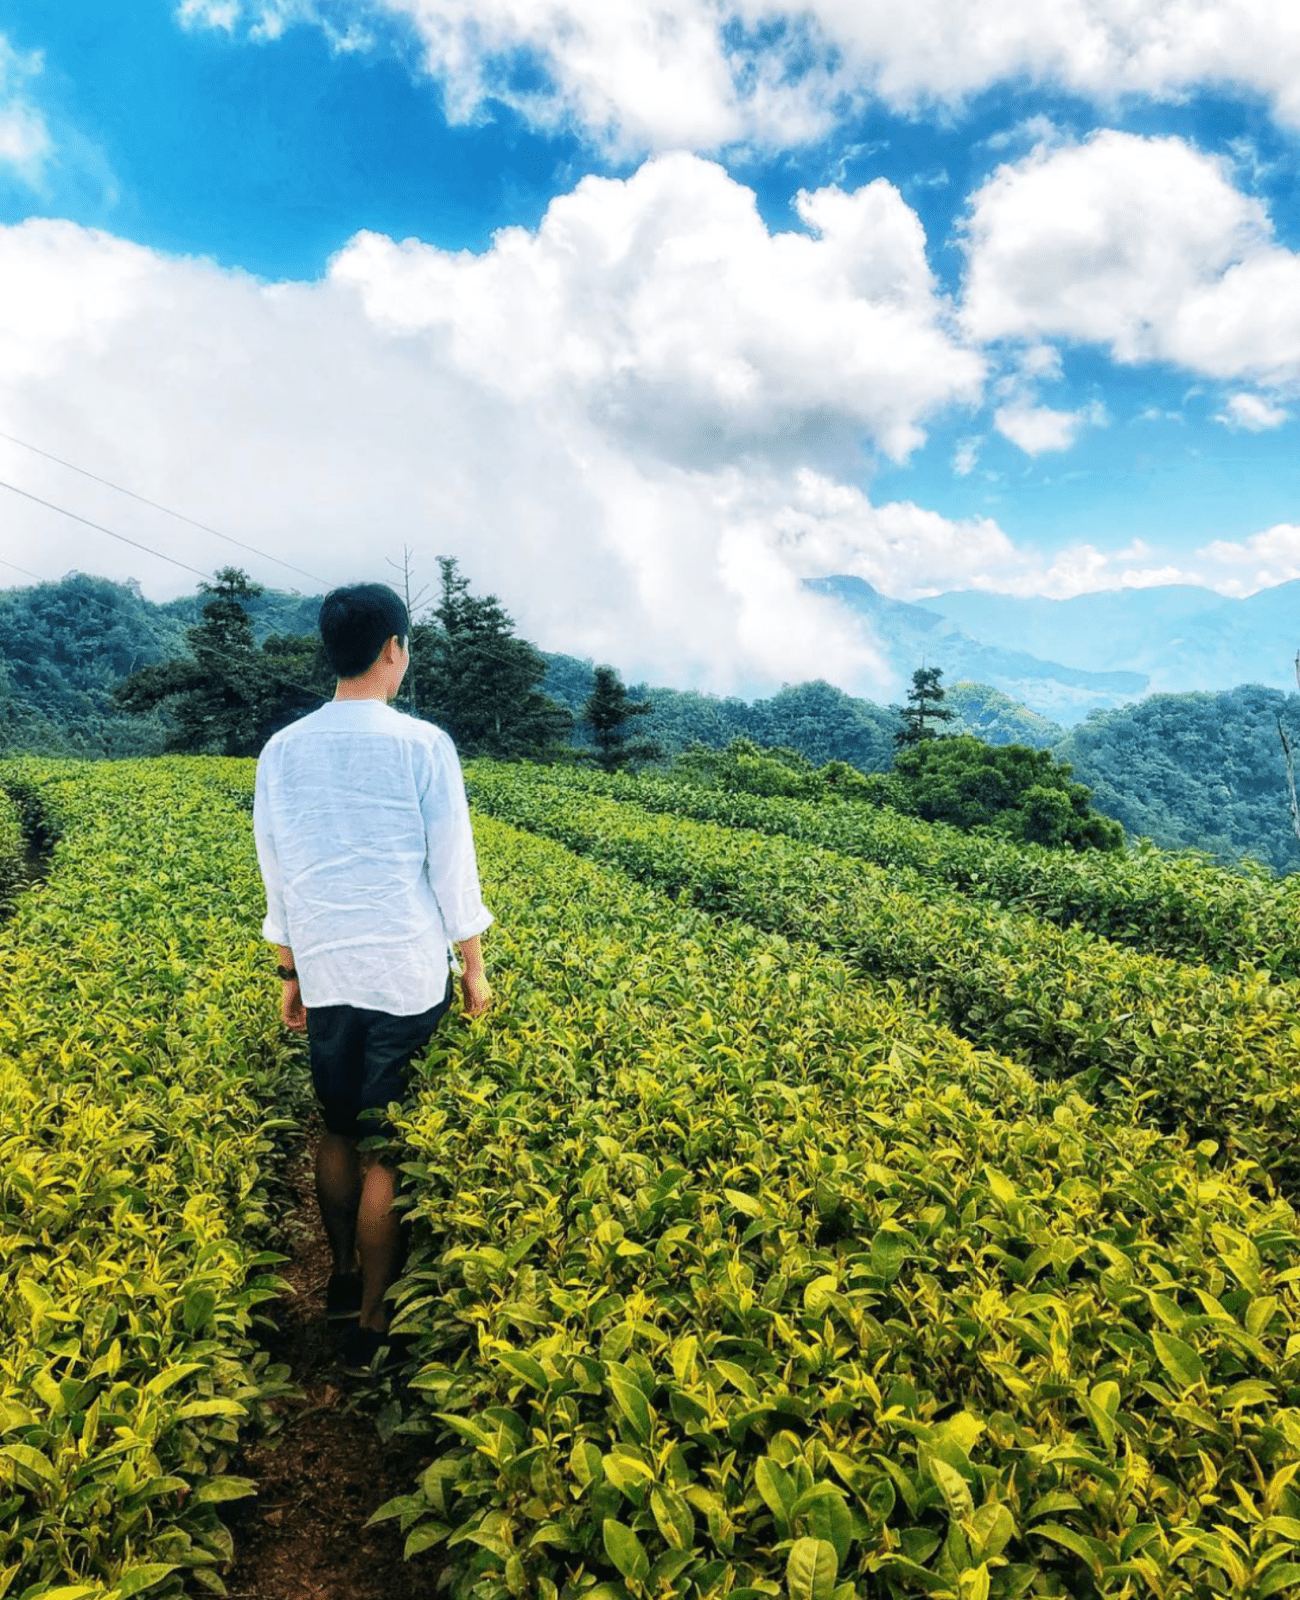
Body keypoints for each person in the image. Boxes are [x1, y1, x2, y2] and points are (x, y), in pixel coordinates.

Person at [253, 581, 493, 1371]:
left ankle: (340, 1275)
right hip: (404, 973)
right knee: (388, 1145)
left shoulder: (282, 749)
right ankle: (373, 1317)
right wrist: (473, 968)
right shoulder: (423, 745)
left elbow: (277, 869)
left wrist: (290, 972)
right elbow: (451, 866)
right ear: (395, 649)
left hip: (327, 967)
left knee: (338, 1128)